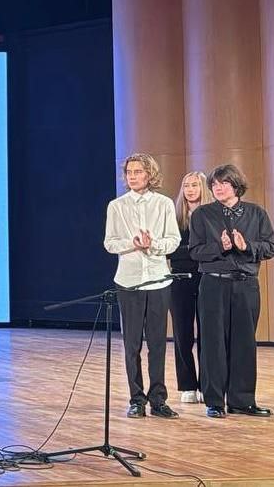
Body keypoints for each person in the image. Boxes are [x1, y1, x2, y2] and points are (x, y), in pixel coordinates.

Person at [189, 164, 274, 419]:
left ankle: (242, 401)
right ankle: (214, 401)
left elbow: (271, 247)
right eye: (214, 184)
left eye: (224, 183)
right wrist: (221, 247)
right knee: (213, 343)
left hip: (245, 285)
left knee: (244, 343)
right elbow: (195, 251)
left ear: (236, 185)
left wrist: (246, 245)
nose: (218, 188)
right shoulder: (202, 215)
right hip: (213, 284)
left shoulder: (256, 213)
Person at [104, 152, 181, 419]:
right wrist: (132, 245)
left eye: (138, 172)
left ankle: (158, 400)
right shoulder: (116, 206)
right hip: (128, 281)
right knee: (132, 344)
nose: (133, 176)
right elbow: (109, 243)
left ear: (149, 174)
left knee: (157, 343)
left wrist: (153, 245)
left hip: (158, 280)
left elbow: (173, 240)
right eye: (129, 172)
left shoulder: (164, 204)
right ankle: (137, 399)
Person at [168, 171, 212, 404]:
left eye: (195, 185)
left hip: (206, 278)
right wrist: (197, 251)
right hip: (180, 280)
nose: (190, 190)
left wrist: (190, 251)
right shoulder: (175, 218)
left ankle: (207, 384)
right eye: (186, 185)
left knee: (207, 334)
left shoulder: (212, 216)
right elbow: (169, 250)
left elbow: (215, 250)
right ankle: (187, 385)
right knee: (182, 334)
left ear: (203, 188)